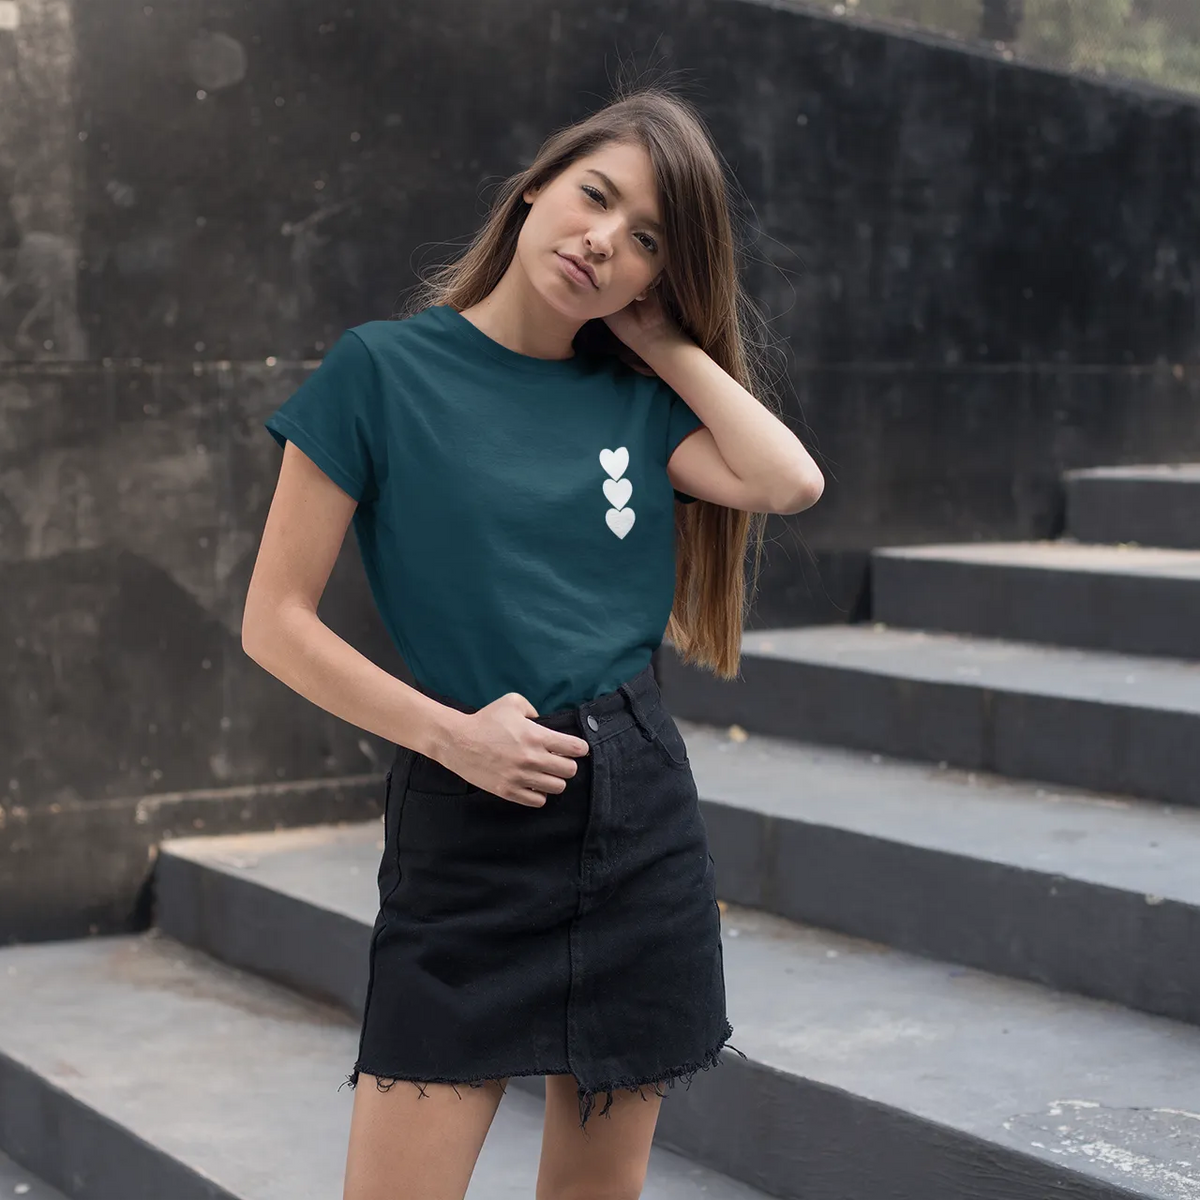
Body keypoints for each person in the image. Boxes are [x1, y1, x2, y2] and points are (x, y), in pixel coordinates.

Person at [242, 80, 824, 1200]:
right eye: (594, 197)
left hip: (638, 823)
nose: (603, 240)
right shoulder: (381, 373)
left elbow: (785, 480)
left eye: (646, 239)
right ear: (535, 191)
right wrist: (449, 737)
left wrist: (661, 341)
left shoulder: (635, 398)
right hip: (470, 825)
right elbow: (275, 621)